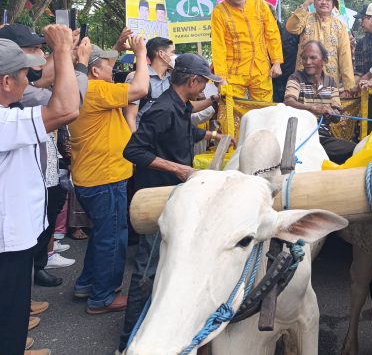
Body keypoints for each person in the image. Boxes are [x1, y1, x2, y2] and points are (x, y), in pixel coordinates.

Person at [119, 53, 221, 351]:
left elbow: (184, 131)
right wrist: (177, 168)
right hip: (157, 197)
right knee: (148, 267)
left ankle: (161, 322)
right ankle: (128, 340)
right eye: (204, 82)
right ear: (193, 80)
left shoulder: (180, 105)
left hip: (174, 195)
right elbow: (133, 151)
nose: (205, 88)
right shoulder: (162, 109)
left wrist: (216, 134)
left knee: (169, 261)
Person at [0, 25, 80, 355]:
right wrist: (62, 51)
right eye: (24, 74)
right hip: (8, 240)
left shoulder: (8, 113)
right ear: (6, 82)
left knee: (13, 313)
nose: (29, 80)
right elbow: (67, 109)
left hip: (14, 235)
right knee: (8, 318)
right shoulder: (3, 121)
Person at [68, 36, 149, 314]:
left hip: (92, 175)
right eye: (108, 65)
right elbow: (140, 88)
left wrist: (117, 47)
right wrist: (140, 53)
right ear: (94, 70)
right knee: (112, 238)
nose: (112, 70)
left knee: (103, 235)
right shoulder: (97, 89)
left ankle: (87, 283)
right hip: (105, 177)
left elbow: (105, 65)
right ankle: (101, 297)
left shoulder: (83, 87)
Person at [211, 0, 283, 102]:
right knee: (230, 108)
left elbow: (272, 34)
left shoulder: (260, 4)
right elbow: (218, 46)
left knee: (265, 109)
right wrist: (221, 77)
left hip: (260, 68)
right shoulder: (219, 12)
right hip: (233, 71)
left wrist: (276, 62)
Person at [284, 40, 357, 164]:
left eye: (313, 58)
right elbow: (288, 102)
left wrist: (332, 113)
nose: (307, 62)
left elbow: (337, 117)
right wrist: (312, 108)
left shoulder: (330, 82)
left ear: (324, 61)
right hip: (300, 136)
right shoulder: (296, 78)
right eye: (304, 58)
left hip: (322, 138)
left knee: (356, 151)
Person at [286, 0, 355, 92]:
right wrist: (306, 4)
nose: (324, 2)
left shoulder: (340, 26)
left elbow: (345, 57)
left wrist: (349, 87)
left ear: (333, 4)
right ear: (314, 2)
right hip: (304, 78)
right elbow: (291, 28)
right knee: (303, 103)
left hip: (330, 82)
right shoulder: (306, 18)